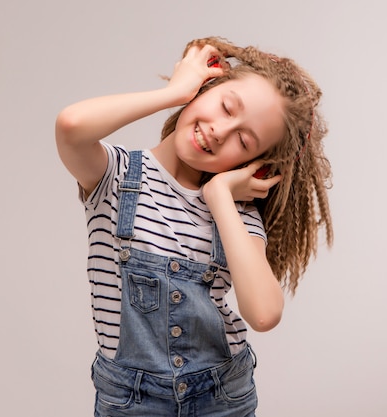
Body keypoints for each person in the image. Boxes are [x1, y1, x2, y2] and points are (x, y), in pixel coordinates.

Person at [55, 36, 333, 417]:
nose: (220, 131)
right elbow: (71, 126)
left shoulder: (236, 213)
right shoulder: (116, 176)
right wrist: (174, 92)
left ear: (256, 163)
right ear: (206, 87)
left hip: (223, 398)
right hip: (131, 403)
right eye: (225, 106)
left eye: (244, 139)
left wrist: (219, 196)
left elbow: (265, 313)